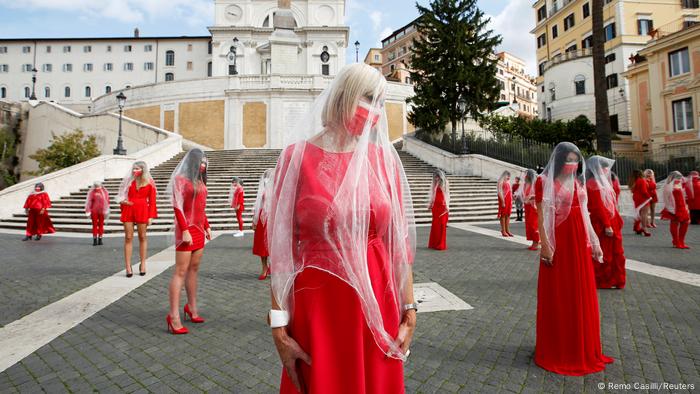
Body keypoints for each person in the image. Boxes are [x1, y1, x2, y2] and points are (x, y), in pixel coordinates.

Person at [267, 64, 416, 393]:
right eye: (367, 98)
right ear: (344, 95)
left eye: (380, 101)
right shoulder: (296, 158)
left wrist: (409, 309)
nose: (374, 110)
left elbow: (398, 244)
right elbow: (280, 252)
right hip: (319, 304)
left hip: (380, 298)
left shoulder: (384, 161)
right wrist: (279, 326)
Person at [535, 142, 613, 375]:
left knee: (580, 292)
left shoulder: (579, 183)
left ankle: (581, 345)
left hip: (579, 244)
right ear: (559, 161)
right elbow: (542, 216)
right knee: (561, 293)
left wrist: (595, 243)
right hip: (560, 243)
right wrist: (546, 245)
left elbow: (586, 215)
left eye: (576, 160)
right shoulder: (544, 182)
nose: (572, 164)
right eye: (568, 160)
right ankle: (560, 347)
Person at [165, 149, 212, 335]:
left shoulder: (200, 180)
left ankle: (191, 308)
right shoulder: (180, 180)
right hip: (186, 230)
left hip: (199, 229)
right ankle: (173, 316)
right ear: (193, 161)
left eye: (206, 161)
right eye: (202, 160)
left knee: (194, 269)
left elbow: (201, 206)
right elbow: (177, 206)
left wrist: (207, 226)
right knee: (180, 271)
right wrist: (184, 230)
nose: (205, 164)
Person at [586, 156, 626, 289]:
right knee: (606, 252)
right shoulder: (593, 183)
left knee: (615, 251)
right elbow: (598, 207)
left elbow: (611, 204)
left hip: (610, 220)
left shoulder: (601, 181)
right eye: (604, 167)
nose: (606, 170)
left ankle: (616, 279)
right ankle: (604, 279)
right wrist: (607, 225)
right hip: (602, 223)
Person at [118, 161, 158, 277]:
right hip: (128, 209)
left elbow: (152, 201)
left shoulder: (149, 183)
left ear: (143, 170)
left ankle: (143, 264)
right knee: (128, 237)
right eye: (134, 168)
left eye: (137, 169)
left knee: (142, 237)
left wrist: (151, 216)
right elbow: (121, 195)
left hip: (142, 210)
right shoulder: (128, 182)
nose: (135, 171)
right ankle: (128, 266)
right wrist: (122, 201)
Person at [252, 169, 274, 280]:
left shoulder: (277, 187)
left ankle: (272, 267)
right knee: (262, 245)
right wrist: (254, 220)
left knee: (273, 244)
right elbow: (258, 204)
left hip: (273, 217)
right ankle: (264, 268)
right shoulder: (263, 190)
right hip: (263, 218)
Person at [661, 171, 691, 249]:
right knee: (675, 223)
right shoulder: (668, 186)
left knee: (685, 223)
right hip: (674, 207)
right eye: (678, 177)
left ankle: (681, 241)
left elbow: (683, 196)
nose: (680, 178)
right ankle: (676, 241)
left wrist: (686, 206)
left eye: (680, 176)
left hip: (682, 206)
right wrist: (670, 208)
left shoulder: (680, 183)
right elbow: (666, 199)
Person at [428, 169, 449, 250]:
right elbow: (433, 194)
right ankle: (434, 243)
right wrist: (430, 203)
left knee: (442, 225)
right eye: (435, 177)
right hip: (435, 207)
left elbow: (447, 195)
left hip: (442, 206)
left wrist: (447, 205)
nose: (436, 179)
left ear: (440, 177)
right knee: (435, 225)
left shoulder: (445, 183)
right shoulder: (435, 183)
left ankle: (441, 244)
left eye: (437, 177)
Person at [85, 181, 110, 246]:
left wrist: (88, 210)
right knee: (101, 225)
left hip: (94, 211)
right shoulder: (104, 192)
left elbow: (89, 202)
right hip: (101, 211)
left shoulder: (92, 192)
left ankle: (95, 240)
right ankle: (100, 240)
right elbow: (107, 202)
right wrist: (107, 210)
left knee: (95, 225)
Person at [521, 169, 539, 251]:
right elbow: (523, 194)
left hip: (533, 206)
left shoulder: (535, 184)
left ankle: (536, 243)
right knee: (529, 224)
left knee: (533, 224)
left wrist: (532, 197)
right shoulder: (525, 184)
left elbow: (539, 194)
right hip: (527, 206)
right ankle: (534, 242)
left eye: (526, 174)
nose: (524, 176)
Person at [629, 169, 652, 236]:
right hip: (643, 198)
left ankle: (636, 227)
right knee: (644, 214)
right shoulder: (642, 180)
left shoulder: (634, 181)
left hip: (636, 198)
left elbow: (633, 190)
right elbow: (644, 191)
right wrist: (649, 197)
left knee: (638, 213)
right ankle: (644, 228)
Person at [497, 171, 513, 237]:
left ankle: (507, 230)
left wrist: (512, 198)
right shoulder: (500, 181)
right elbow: (499, 192)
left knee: (508, 214)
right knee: (503, 214)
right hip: (503, 199)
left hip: (509, 199)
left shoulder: (508, 182)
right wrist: (503, 201)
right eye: (507, 176)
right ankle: (503, 230)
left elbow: (510, 191)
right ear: (504, 175)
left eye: (509, 176)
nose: (508, 177)